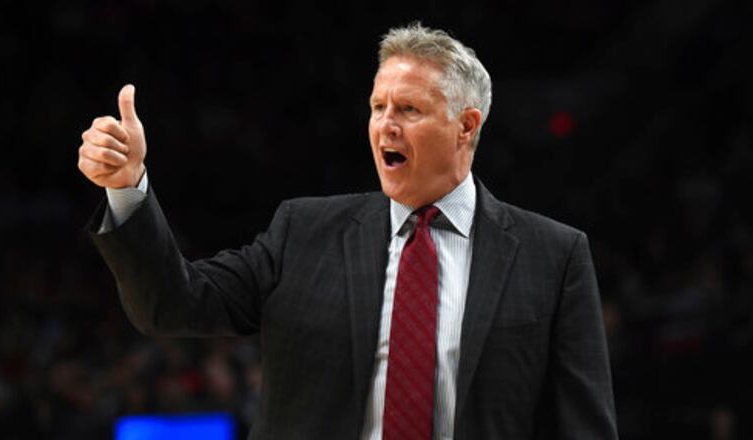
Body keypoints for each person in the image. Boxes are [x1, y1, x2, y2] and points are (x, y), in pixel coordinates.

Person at [78, 23, 618, 439]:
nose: (385, 124)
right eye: (378, 106)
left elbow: (584, 429)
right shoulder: (303, 231)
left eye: (408, 108)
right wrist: (128, 188)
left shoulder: (554, 255)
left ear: (466, 127)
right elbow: (171, 304)